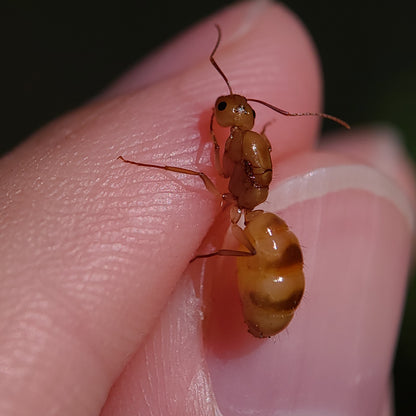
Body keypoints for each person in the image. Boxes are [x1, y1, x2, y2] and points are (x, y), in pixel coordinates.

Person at [0, 2, 414, 415]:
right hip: (254, 221)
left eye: (229, 111)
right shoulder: (249, 149)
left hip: (258, 244)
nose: (222, 114)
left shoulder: (241, 155)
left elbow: (225, 177)